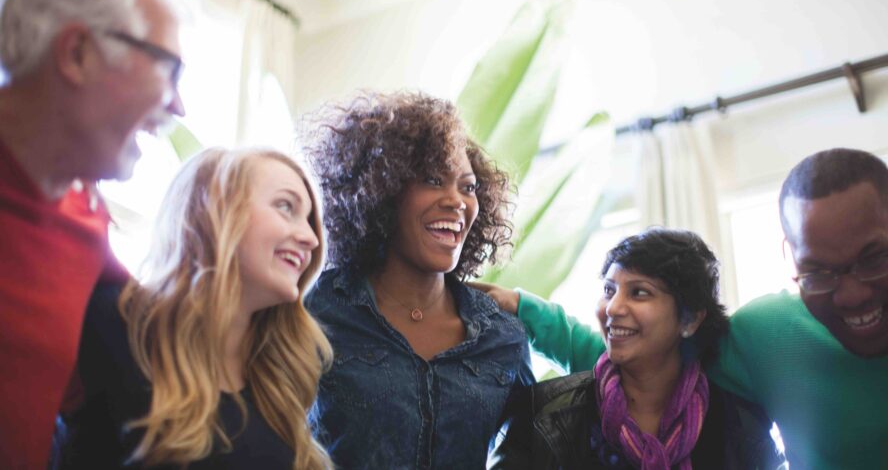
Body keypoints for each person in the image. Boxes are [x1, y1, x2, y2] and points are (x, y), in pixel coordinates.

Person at [484, 147, 888, 469]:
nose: (853, 294)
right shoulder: (767, 335)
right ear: (791, 259)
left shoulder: (736, 427)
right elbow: (653, 370)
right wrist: (525, 309)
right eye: (818, 273)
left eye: (874, 260)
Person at [0, 0, 186, 467]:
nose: (179, 105)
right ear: (77, 52)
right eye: (169, 70)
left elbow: (148, 318)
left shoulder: (86, 211)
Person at [61, 148, 332, 469]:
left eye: (310, 221)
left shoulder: (280, 376)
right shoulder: (118, 323)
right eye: (286, 206)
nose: (312, 239)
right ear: (214, 208)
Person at [304, 91, 534, 469]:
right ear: (383, 189)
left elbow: (529, 446)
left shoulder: (501, 336)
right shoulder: (316, 312)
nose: (457, 201)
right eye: (432, 179)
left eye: (468, 186)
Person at [490, 228, 780, 469]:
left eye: (639, 292)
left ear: (690, 319)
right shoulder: (542, 414)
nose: (613, 307)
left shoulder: (738, 424)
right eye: (608, 290)